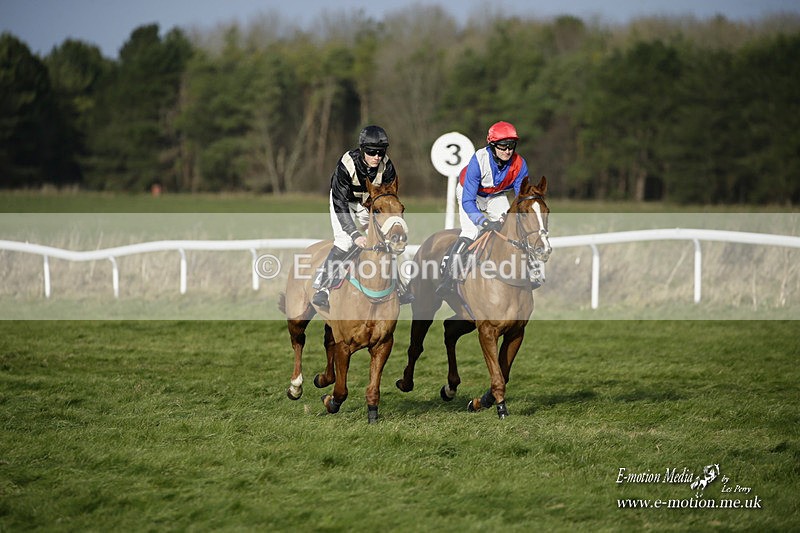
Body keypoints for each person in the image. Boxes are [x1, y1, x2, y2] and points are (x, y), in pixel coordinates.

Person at [312, 125, 413, 308]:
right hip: (344, 203)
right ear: (362, 150)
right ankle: (324, 287)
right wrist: (355, 234)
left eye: (381, 152)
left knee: (386, 239)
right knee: (345, 242)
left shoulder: (387, 166)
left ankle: (399, 286)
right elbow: (340, 203)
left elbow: (389, 197)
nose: (377, 157)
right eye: (372, 152)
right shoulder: (346, 164)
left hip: (368, 205)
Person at [436, 120, 530, 296]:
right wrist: (483, 222)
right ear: (492, 145)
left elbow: (521, 199)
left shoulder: (519, 164)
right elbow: (468, 201)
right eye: (503, 146)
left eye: (511, 145)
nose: (508, 150)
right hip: (469, 194)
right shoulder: (478, 161)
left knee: (512, 229)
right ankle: (448, 278)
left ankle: (528, 272)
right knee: (471, 231)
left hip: (495, 195)